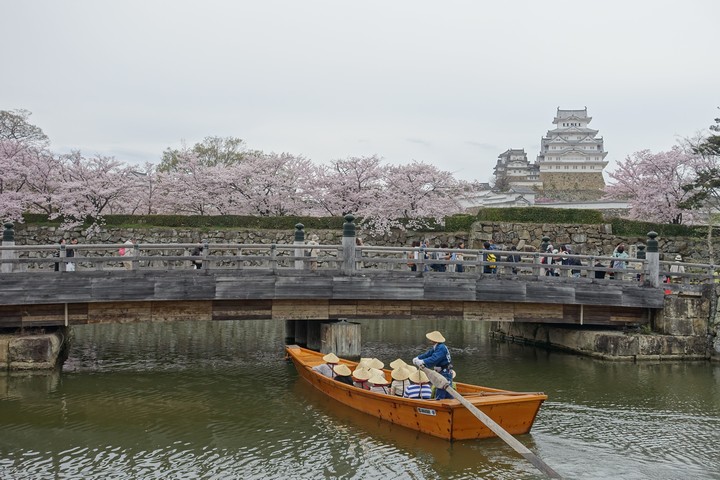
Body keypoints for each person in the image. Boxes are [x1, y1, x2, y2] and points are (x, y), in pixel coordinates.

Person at [412, 330, 453, 400]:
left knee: (442, 389)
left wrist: (422, 361)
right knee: (446, 389)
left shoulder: (441, 348)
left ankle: (440, 404)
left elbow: (434, 359)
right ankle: (448, 401)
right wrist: (418, 358)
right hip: (442, 371)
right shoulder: (437, 346)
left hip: (445, 371)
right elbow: (428, 354)